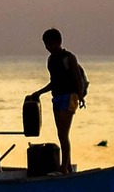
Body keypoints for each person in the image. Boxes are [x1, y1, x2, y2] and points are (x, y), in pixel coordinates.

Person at [30, 28, 88, 173]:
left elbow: (77, 78)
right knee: (60, 133)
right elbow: (53, 82)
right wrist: (39, 92)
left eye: (50, 44)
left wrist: (81, 96)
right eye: (46, 45)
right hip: (57, 98)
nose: (48, 47)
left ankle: (64, 167)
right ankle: (67, 166)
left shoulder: (69, 58)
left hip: (70, 97)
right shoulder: (51, 60)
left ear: (58, 42)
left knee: (63, 133)